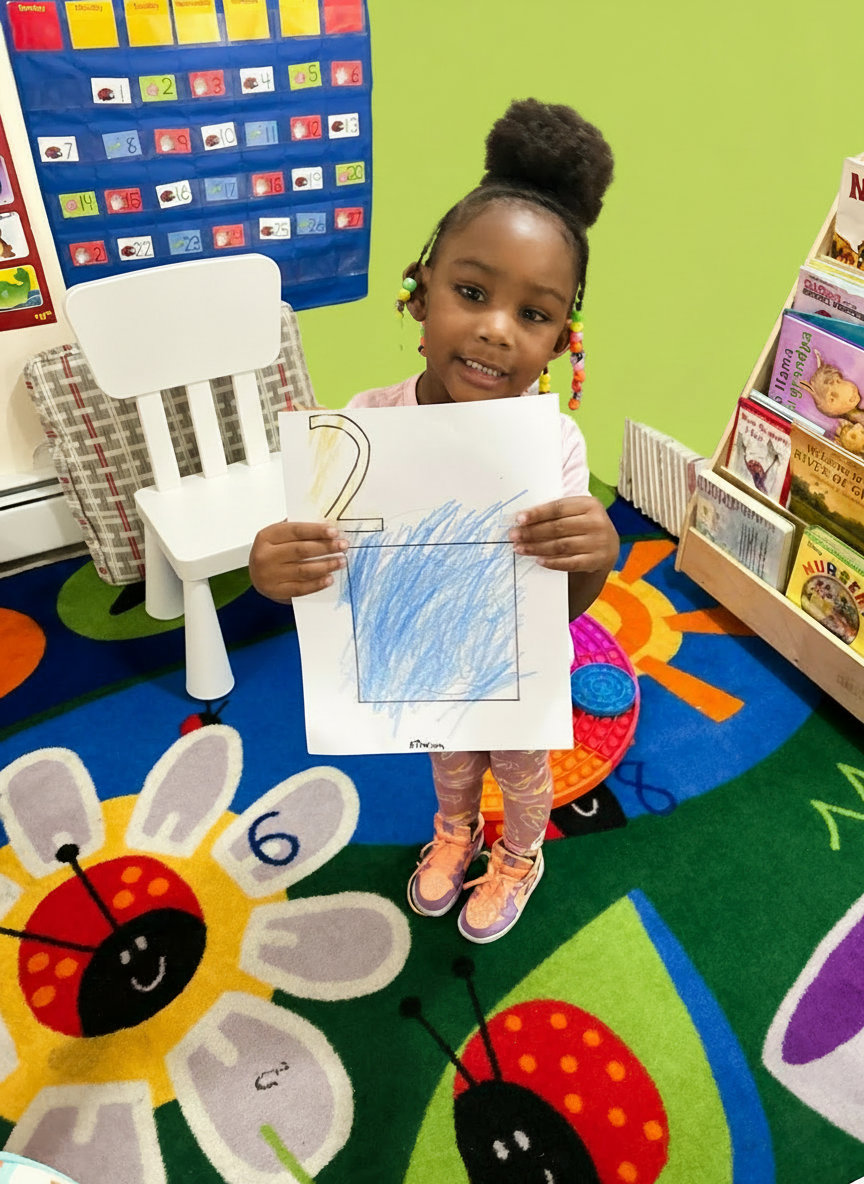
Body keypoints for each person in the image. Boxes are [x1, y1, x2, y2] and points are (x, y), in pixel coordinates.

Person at [249, 98, 620, 943]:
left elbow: (563, 603)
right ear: (418, 297)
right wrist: (274, 570)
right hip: (424, 660)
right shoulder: (363, 424)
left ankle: (521, 853)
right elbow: (324, 579)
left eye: (533, 314)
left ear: (563, 340)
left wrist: (596, 553)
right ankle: (455, 832)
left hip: (514, 664)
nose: (495, 329)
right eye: (471, 291)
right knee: (449, 763)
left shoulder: (551, 443)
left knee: (522, 770)